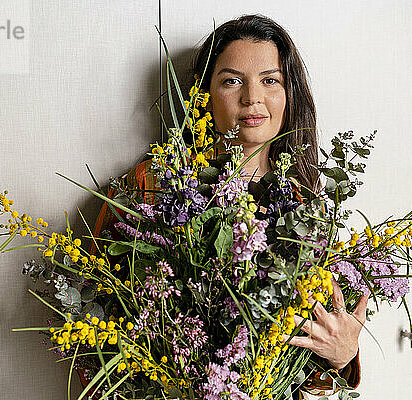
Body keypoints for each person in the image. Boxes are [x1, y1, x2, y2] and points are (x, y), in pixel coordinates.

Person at [92, 14, 368, 399]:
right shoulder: (150, 185)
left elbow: (310, 371)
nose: (252, 97)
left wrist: (344, 354)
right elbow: (92, 314)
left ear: (289, 96)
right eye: (232, 80)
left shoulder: (308, 211)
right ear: (204, 94)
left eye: (270, 80)